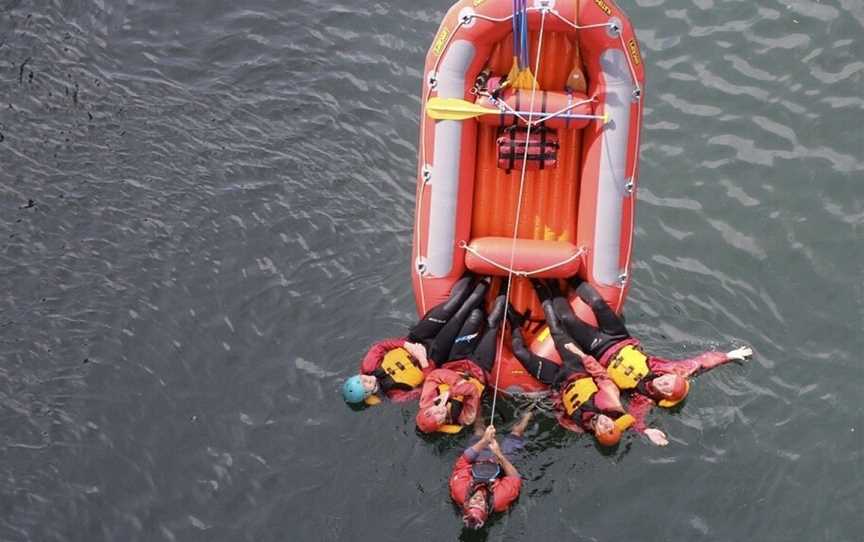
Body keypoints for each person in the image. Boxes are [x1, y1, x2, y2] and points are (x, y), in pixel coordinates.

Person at [542, 277, 752, 437]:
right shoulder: (674, 370)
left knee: (568, 319)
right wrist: (730, 355)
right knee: (598, 302)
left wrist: (646, 431)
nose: (664, 382)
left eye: (666, 388)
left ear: (663, 398)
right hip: (620, 337)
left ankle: (551, 286)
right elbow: (703, 362)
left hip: (597, 350)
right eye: (668, 381)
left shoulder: (642, 399)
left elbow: (634, 419)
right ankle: (571, 276)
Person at [509, 281, 668, 446]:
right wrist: (647, 430)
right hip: (577, 367)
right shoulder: (609, 402)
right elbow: (601, 375)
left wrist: (554, 397)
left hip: (557, 380)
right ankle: (543, 286)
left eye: (605, 428)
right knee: (557, 329)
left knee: (519, 352)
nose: (606, 423)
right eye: (610, 424)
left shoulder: (578, 426)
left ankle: (513, 322)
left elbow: (562, 411)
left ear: (597, 433)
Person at [342, 275, 489, 405]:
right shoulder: (396, 396)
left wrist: (408, 345)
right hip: (433, 356)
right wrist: (423, 361)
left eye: (362, 378)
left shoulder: (369, 366)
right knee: (469, 314)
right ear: (368, 394)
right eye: (365, 384)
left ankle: (474, 275)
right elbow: (428, 387)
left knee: (453, 303)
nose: (366, 379)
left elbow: (382, 345)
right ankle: (487, 285)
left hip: (417, 338)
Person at [416, 282, 508, 433]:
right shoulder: (465, 418)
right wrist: (451, 392)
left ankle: (485, 282)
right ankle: (505, 287)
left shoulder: (427, 399)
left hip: (457, 359)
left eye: (433, 412)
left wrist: (455, 383)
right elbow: (471, 389)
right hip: (480, 369)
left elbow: (435, 375)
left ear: (427, 410)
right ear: (443, 424)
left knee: (475, 316)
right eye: (440, 417)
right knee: (493, 325)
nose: (439, 412)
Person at [449, 412, 532, 530]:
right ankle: (529, 414)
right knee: (517, 432)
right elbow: (515, 478)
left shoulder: (460, 490)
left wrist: (484, 441)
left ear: (467, 504)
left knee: (479, 430)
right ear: (487, 508)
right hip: (501, 464)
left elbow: (463, 462)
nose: (478, 499)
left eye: (473, 503)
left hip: (477, 460)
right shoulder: (499, 499)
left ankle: (478, 403)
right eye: (480, 505)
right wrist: (499, 454)